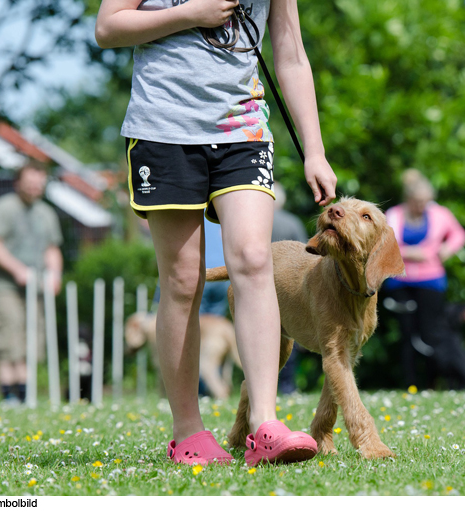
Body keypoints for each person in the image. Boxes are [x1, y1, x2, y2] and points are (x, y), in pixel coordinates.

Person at [96, 0, 337, 466]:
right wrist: (192, 13)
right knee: (185, 279)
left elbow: (289, 51)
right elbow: (108, 28)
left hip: (243, 130)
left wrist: (315, 150)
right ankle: (188, 432)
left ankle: (264, 424)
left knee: (253, 258)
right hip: (163, 131)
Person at [0, 161, 63, 403]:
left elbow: (52, 249)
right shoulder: (2, 208)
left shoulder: (46, 213)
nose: (34, 187)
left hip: (35, 287)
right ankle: (9, 396)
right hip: (4, 287)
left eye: (38, 183)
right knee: (9, 336)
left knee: (32, 339)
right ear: (18, 183)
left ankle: (27, 396)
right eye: (29, 183)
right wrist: (17, 269)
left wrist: (55, 275)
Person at [383, 170, 465, 389]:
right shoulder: (393, 215)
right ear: (408, 199)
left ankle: (435, 383)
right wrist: (410, 253)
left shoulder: (439, 214)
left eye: (425, 201)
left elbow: (459, 235)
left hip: (431, 281)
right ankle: (411, 384)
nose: (422, 206)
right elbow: (382, 245)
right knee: (407, 335)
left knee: (432, 334)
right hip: (400, 282)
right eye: (417, 202)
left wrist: (446, 250)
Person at [270, 185, 309, 394]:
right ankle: (287, 387)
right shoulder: (292, 222)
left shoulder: (254, 222)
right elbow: (305, 255)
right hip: (288, 287)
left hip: (262, 284)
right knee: (288, 336)